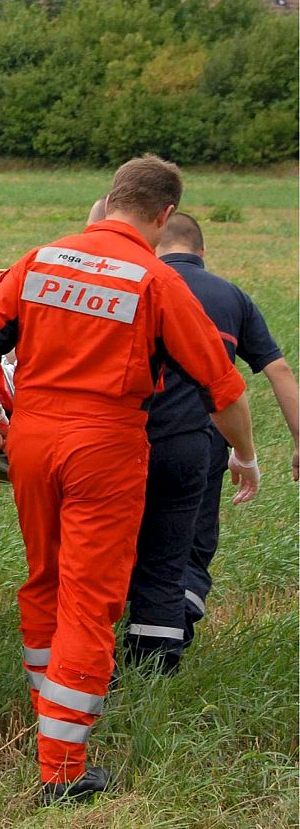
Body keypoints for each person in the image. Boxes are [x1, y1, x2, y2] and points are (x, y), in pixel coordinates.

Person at [0, 156, 257, 806]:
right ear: (165, 215)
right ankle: (63, 767)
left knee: (46, 581)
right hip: (105, 446)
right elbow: (221, 387)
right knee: (91, 601)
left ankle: (49, 717)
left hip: (34, 439)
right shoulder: (155, 279)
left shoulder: (40, 260)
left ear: (109, 197)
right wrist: (246, 454)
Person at [125, 212, 297, 668]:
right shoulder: (231, 296)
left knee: (134, 545)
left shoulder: (140, 281)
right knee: (184, 555)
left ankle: (124, 635)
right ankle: (165, 641)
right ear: (202, 252)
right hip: (201, 446)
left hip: (127, 439)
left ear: (158, 241)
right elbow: (278, 371)